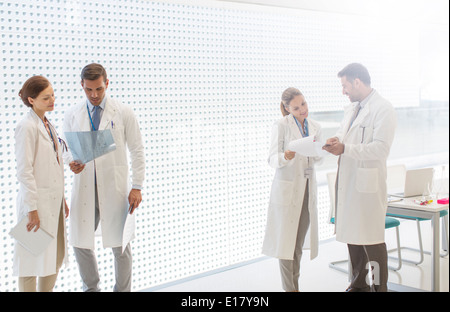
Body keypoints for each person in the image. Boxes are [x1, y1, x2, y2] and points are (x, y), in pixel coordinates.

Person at [63, 63, 145, 292]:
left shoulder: (123, 111)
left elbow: (137, 149)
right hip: (85, 187)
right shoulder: (72, 114)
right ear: (82, 86)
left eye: (99, 89)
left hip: (114, 188)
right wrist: (71, 163)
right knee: (80, 242)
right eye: (89, 90)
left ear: (107, 83)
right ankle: (92, 288)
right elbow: (66, 148)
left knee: (121, 245)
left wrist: (137, 186)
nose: (94, 95)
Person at [323, 63, 397, 292]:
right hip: (350, 183)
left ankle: (378, 288)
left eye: (345, 85)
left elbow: (380, 149)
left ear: (357, 82)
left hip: (367, 187)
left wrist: (345, 148)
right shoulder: (353, 109)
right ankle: (357, 286)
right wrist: (336, 140)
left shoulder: (383, 109)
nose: (343, 91)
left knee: (372, 241)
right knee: (353, 238)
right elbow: (346, 134)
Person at [262, 87, 322, 292]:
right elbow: (271, 159)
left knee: (296, 246)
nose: (303, 109)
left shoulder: (314, 126)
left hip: (306, 190)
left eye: (304, 104)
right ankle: (291, 289)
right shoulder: (280, 126)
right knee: (286, 245)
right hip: (287, 192)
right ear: (287, 109)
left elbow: (318, 159)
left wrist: (321, 149)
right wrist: (285, 157)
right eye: (296, 108)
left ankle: (294, 286)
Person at [14, 75, 69, 292]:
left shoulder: (47, 123)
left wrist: (62, 199)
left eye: (53, 95)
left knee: (54, 257)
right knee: (30, 262)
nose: (52, 100)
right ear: (31, 100)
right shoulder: (26, 127)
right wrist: (32, 209)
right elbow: (24, 172)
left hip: (52, 203)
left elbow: (55, 165)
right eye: (46, 97)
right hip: (35, 206)